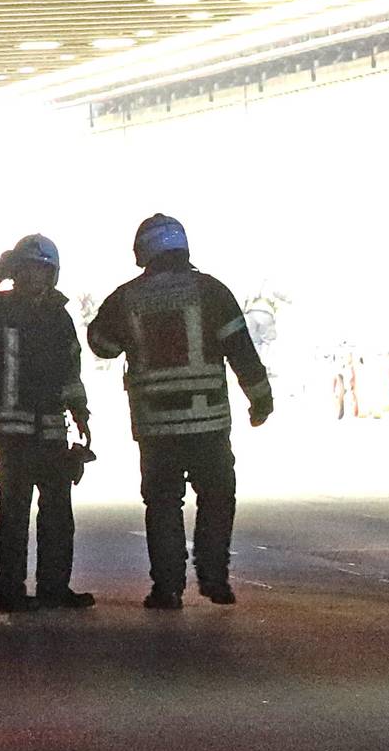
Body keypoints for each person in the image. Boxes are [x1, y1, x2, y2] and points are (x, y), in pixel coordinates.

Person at [88, 214, 272, 609]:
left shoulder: (126, 298)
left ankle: (168, 588)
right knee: (218, 496)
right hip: (208, 421)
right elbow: (241, 349)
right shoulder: (211, 292)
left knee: (163, 503)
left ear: (143, 252)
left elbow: (101, 344)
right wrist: (260, 398)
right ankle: (215, 578)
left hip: (156, 426)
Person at [0, 235, 94, 612]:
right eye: (27, 269)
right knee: (13, 510)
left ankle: (54, 588)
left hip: (52, 428)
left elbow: (71, 369)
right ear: (16, 271)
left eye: (42, 270)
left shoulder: (59, 316)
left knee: (58, 510)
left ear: (53, 274)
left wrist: (80, 411)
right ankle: (10, 591)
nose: (35, 277)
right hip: (12, 429)